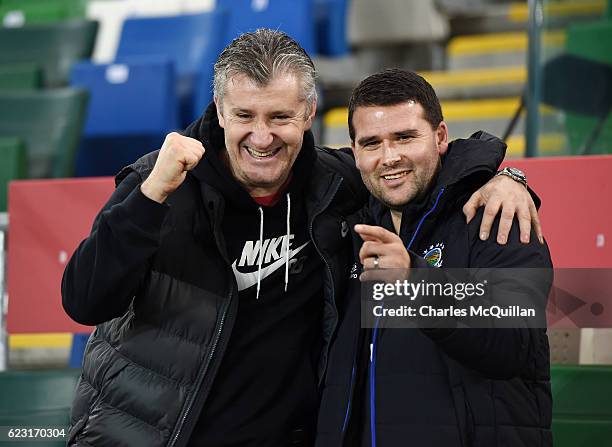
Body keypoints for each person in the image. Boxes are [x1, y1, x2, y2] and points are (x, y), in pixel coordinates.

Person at [62, 31, 540, 446]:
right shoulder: (160, 181)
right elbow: (85, 301)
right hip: (155, 436)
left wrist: (507, 177)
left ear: (309, 112)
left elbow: (421, 159)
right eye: (245, 115)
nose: (262, 136)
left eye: (280, 117)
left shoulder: (333, 185)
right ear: (220, 113)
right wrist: (148, 197)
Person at [315, 69, 553, 447]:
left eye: (405, 137)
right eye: (372, 143)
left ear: (440, 137)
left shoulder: (495, 213)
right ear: (355, 151)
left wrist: (416, 283)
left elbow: (515, 345)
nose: (389, 157)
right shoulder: (347, 223)